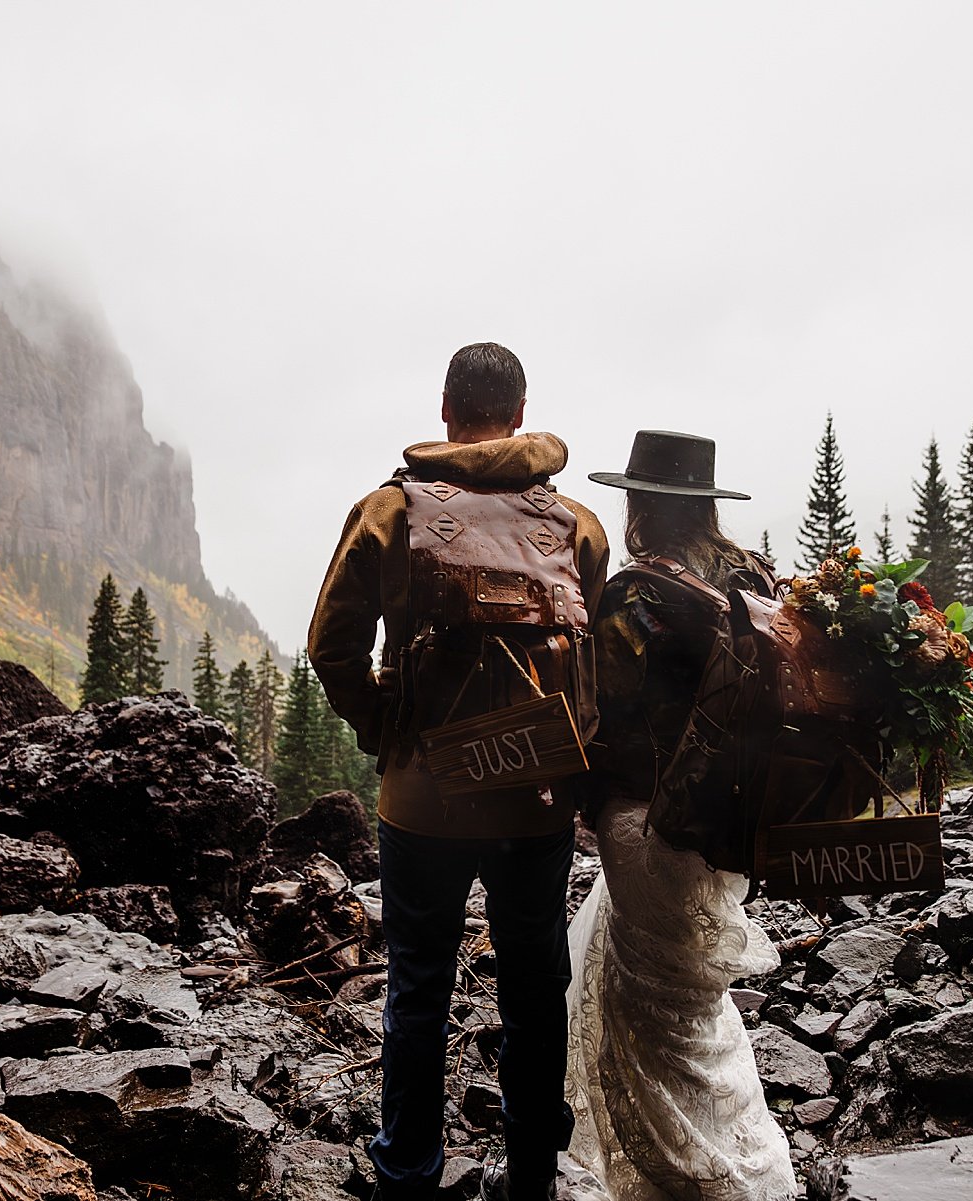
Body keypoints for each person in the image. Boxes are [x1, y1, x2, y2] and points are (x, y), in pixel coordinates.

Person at [308, 342, 611, 1201]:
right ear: (519, 413)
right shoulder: (578, 526)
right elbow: (589, 674)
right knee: (534, 989)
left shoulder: (387, 511)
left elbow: (329, 646)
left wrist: (388, 728)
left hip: (421, 802)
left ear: (446, 409)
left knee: (418, 990)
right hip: (534, 797)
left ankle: (407, 1175)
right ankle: (530, 1180)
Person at [566, 430, 798, 1201]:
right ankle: (746, 1165)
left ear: (641, 502)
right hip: (731, 827)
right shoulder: (756, 578)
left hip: (649, 821)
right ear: (702, 502)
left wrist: (578, 798)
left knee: (650, 1009)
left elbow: (599, 713)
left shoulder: (634, 594)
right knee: (698, 1000)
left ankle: (689, 1182)